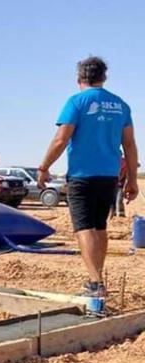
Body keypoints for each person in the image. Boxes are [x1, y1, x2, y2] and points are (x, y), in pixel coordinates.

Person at [37, 56, 139, 297]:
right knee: (99, 227)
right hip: (108, 176)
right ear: (103, 78)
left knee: (84, 227)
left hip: (83, 175)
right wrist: (132, 179)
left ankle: (95, 283)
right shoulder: (120, 105)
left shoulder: (76, 102)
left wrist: (43, 167)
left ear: (79, 79)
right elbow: (130, 145)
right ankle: (97, 277)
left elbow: (61, 139)